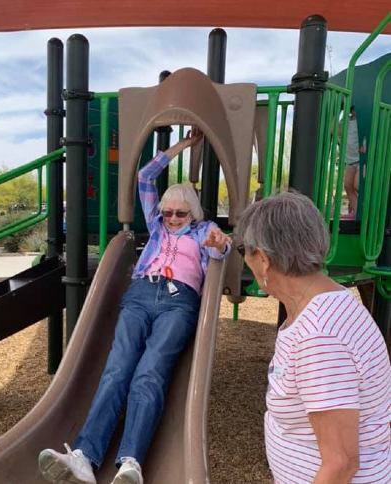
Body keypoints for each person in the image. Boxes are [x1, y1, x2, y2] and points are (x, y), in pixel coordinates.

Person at [38, 129, 232, 484]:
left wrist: (221, 243)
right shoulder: (156, 227)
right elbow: (145, 177)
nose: (172, 218)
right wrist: (183, 146)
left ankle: (131, 462)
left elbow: (221, 250)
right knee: (116, 370)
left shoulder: (203, 229)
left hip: (179, 302)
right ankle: (84, 456)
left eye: (180, 213)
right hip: (140, 295)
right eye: (168, 212)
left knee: (149, 373)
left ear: (193, 212)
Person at [235, 191, 391, 483]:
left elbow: (341, 463)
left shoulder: (319, 337)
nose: (246, 260)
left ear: (264, 259)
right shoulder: (331, 300)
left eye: (245, 250)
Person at [341, 105, 365, 218]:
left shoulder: (364, 120)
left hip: (361, 159)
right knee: (348, 186)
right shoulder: (346, 121)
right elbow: (335, 129)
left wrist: (366, 146)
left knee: (357, 185)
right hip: (350, 159)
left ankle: (366, 210)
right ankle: (357, 214)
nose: (353, 112)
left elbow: (368, 133)